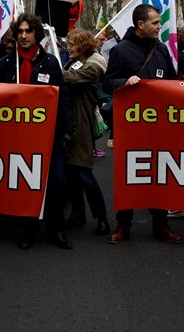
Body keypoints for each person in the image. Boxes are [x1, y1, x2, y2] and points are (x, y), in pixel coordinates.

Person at [102, 4, 182, 245]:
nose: (160, 27)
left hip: (157, 127)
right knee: (128, 175)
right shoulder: (121, 50)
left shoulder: (161, 50)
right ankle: (123, 225)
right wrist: (124, 81)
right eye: (155, 23)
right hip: (130, 128)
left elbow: (171, 83)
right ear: (141, 25)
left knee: (158, 175)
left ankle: (161, 225)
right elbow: (107, 83)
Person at [0, 13, 75, 250]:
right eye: (19, 31)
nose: (23, 35)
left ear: (36, 34)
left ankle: (55, 230)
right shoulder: (5, 64)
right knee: (25, 184)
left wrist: (68, 128)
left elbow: (63, 98)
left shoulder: (50, 63)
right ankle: (28, 230)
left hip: (50, 137)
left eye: (28, 31)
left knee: (57, 183)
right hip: (19, 137)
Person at [62, 29, 111, 236]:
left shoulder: (92, 68)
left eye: (72, 44)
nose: (68, 47)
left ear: (83, 46)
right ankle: (78, 214)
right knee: (72, 174)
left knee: (84, 173)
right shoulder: (74, 62)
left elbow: (69, 79)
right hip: (69, 122)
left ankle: (102, 218)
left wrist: (50, 70)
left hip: (81, 125)